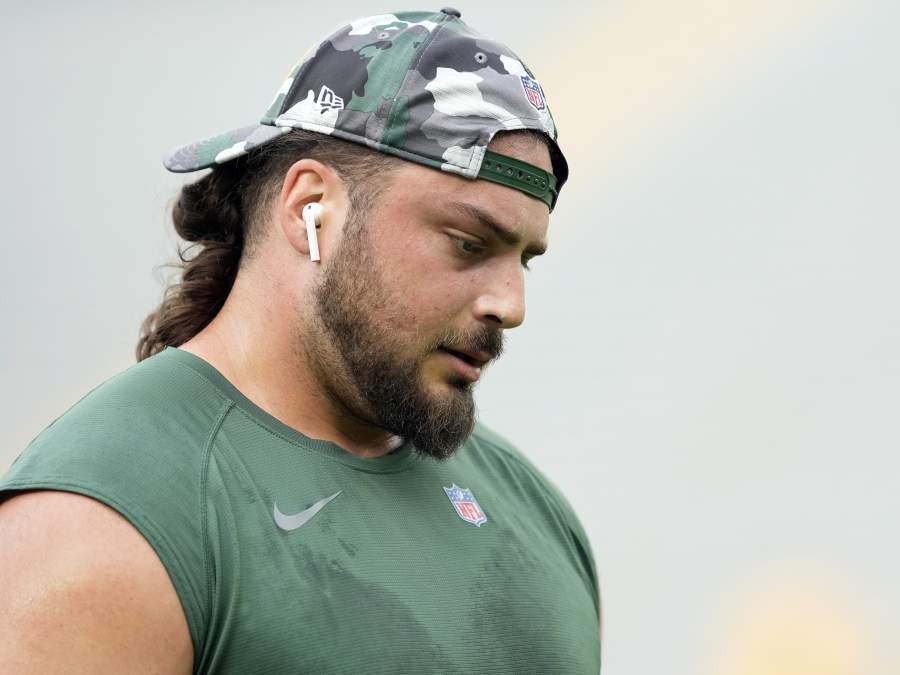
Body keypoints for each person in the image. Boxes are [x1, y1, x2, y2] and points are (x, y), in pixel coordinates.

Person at [0, 8, 599, 674]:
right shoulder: (105, 523)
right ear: (310, 207)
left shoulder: (532, 509)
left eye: (524, 259)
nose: (510, 306)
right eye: (469, 244)